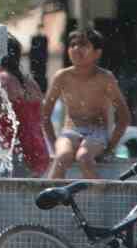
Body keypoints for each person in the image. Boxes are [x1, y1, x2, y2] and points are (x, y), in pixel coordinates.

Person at [42, 28, 131, 179]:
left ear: (97, 53)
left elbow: (124, 117)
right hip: (70, 131)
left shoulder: (105, 78)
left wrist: (110, 148)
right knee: (61, 158)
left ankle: (103, 192)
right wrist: (54, 143)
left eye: (83, 45)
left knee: (84, 158)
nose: (76, 49)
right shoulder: (62, 77)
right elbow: (45, 115)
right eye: (73, 45)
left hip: (97, 132)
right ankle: (50, 194)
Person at [0, 37, 52, 177]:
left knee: (1, 189)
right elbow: (41, 116)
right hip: (40, 151)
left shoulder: (1, 78)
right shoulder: (31, 83)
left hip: (21, 153)